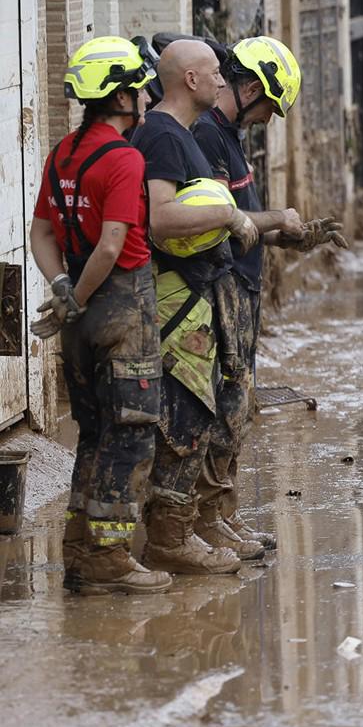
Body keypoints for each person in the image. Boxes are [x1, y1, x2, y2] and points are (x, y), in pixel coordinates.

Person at [193, 36, 345, 557]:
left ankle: (222, 513)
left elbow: (243, 223)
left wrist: (295, 235)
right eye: (270, 108)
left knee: (238, 406)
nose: (270, 120)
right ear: (252, 87)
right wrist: (278, 218)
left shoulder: (229, 136)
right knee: (225, 404)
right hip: (222, 286)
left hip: (245, 285)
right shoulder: (206, 137)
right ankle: (206, 518)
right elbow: (218, 225)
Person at [28, 36, 169, 595]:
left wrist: (63, 291)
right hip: (120, 309)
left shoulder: (62, 152)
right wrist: (81, 294)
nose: (143, 99)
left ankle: (79, 551)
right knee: (131, 434)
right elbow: (113, 245)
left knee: (92, 432)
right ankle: (110, 553)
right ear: (121, 97)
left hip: (79, 319)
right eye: (137, 89)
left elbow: (41, 233)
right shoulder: (126, 159)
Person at [131, 38, 256, 576]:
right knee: (184, 416)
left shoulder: (177, 135)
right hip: (174, 299)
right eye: (214, 73)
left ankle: (184, 530)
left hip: (195, 293)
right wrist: (227, 218)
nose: (223, 82)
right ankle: (169, 539)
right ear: (190, 80)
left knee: (200, 412)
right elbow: (160, 220)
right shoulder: (161, 135)